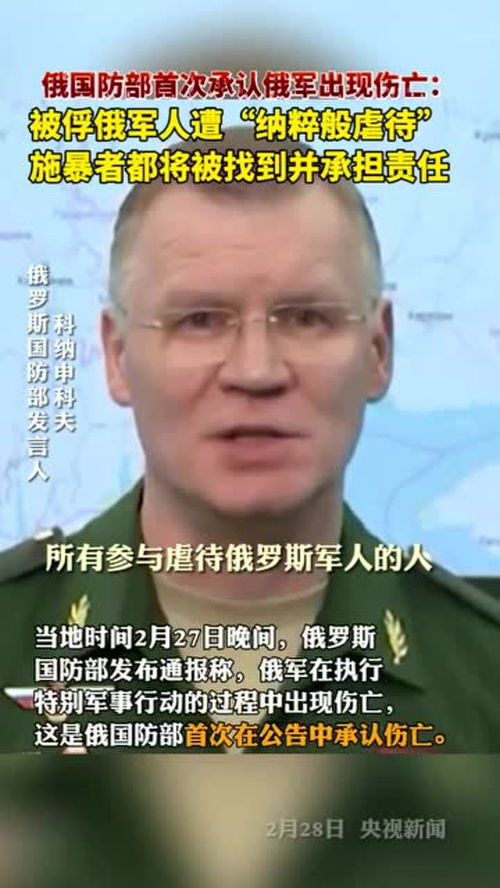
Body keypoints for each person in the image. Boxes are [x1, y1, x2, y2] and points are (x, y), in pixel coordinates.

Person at [1, 127, 500, 756]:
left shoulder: (483, 673)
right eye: (200, 321)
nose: (256, 371)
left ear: (378, 351)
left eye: (307, 318)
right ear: (117, 357)